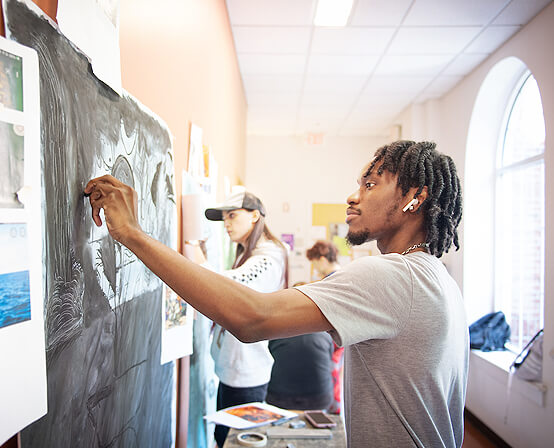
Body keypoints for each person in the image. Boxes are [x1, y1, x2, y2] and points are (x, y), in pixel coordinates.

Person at [85, 140, 468, 447]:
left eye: (370, 185)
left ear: (414, 198)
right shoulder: (438, 278)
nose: (353, 197)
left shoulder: (393, 275)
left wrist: (133, 234)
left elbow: (252, 318)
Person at [202, 190, 288, 447]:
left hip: (246, 373)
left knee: (235, 442)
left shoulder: (268, 255)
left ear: (254, 216)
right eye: (224, 218)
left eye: (232, 216)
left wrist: (197, 261)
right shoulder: (246, 252)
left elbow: (230, 287)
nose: (226, 224)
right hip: (233, 369)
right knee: (224, 438)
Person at [265, 281, 335, 411]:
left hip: (278, 398)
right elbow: (330, 358)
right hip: (319, 399)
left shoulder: (274, 327)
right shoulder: (325, 328)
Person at [306, 240, 344, 414]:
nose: (314, 268)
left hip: (334, 338)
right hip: (342, 335)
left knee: (331, 375)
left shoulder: (331, 280)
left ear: (321, 259)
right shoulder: (344, 274)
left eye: (314, 263)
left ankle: (333, 413)